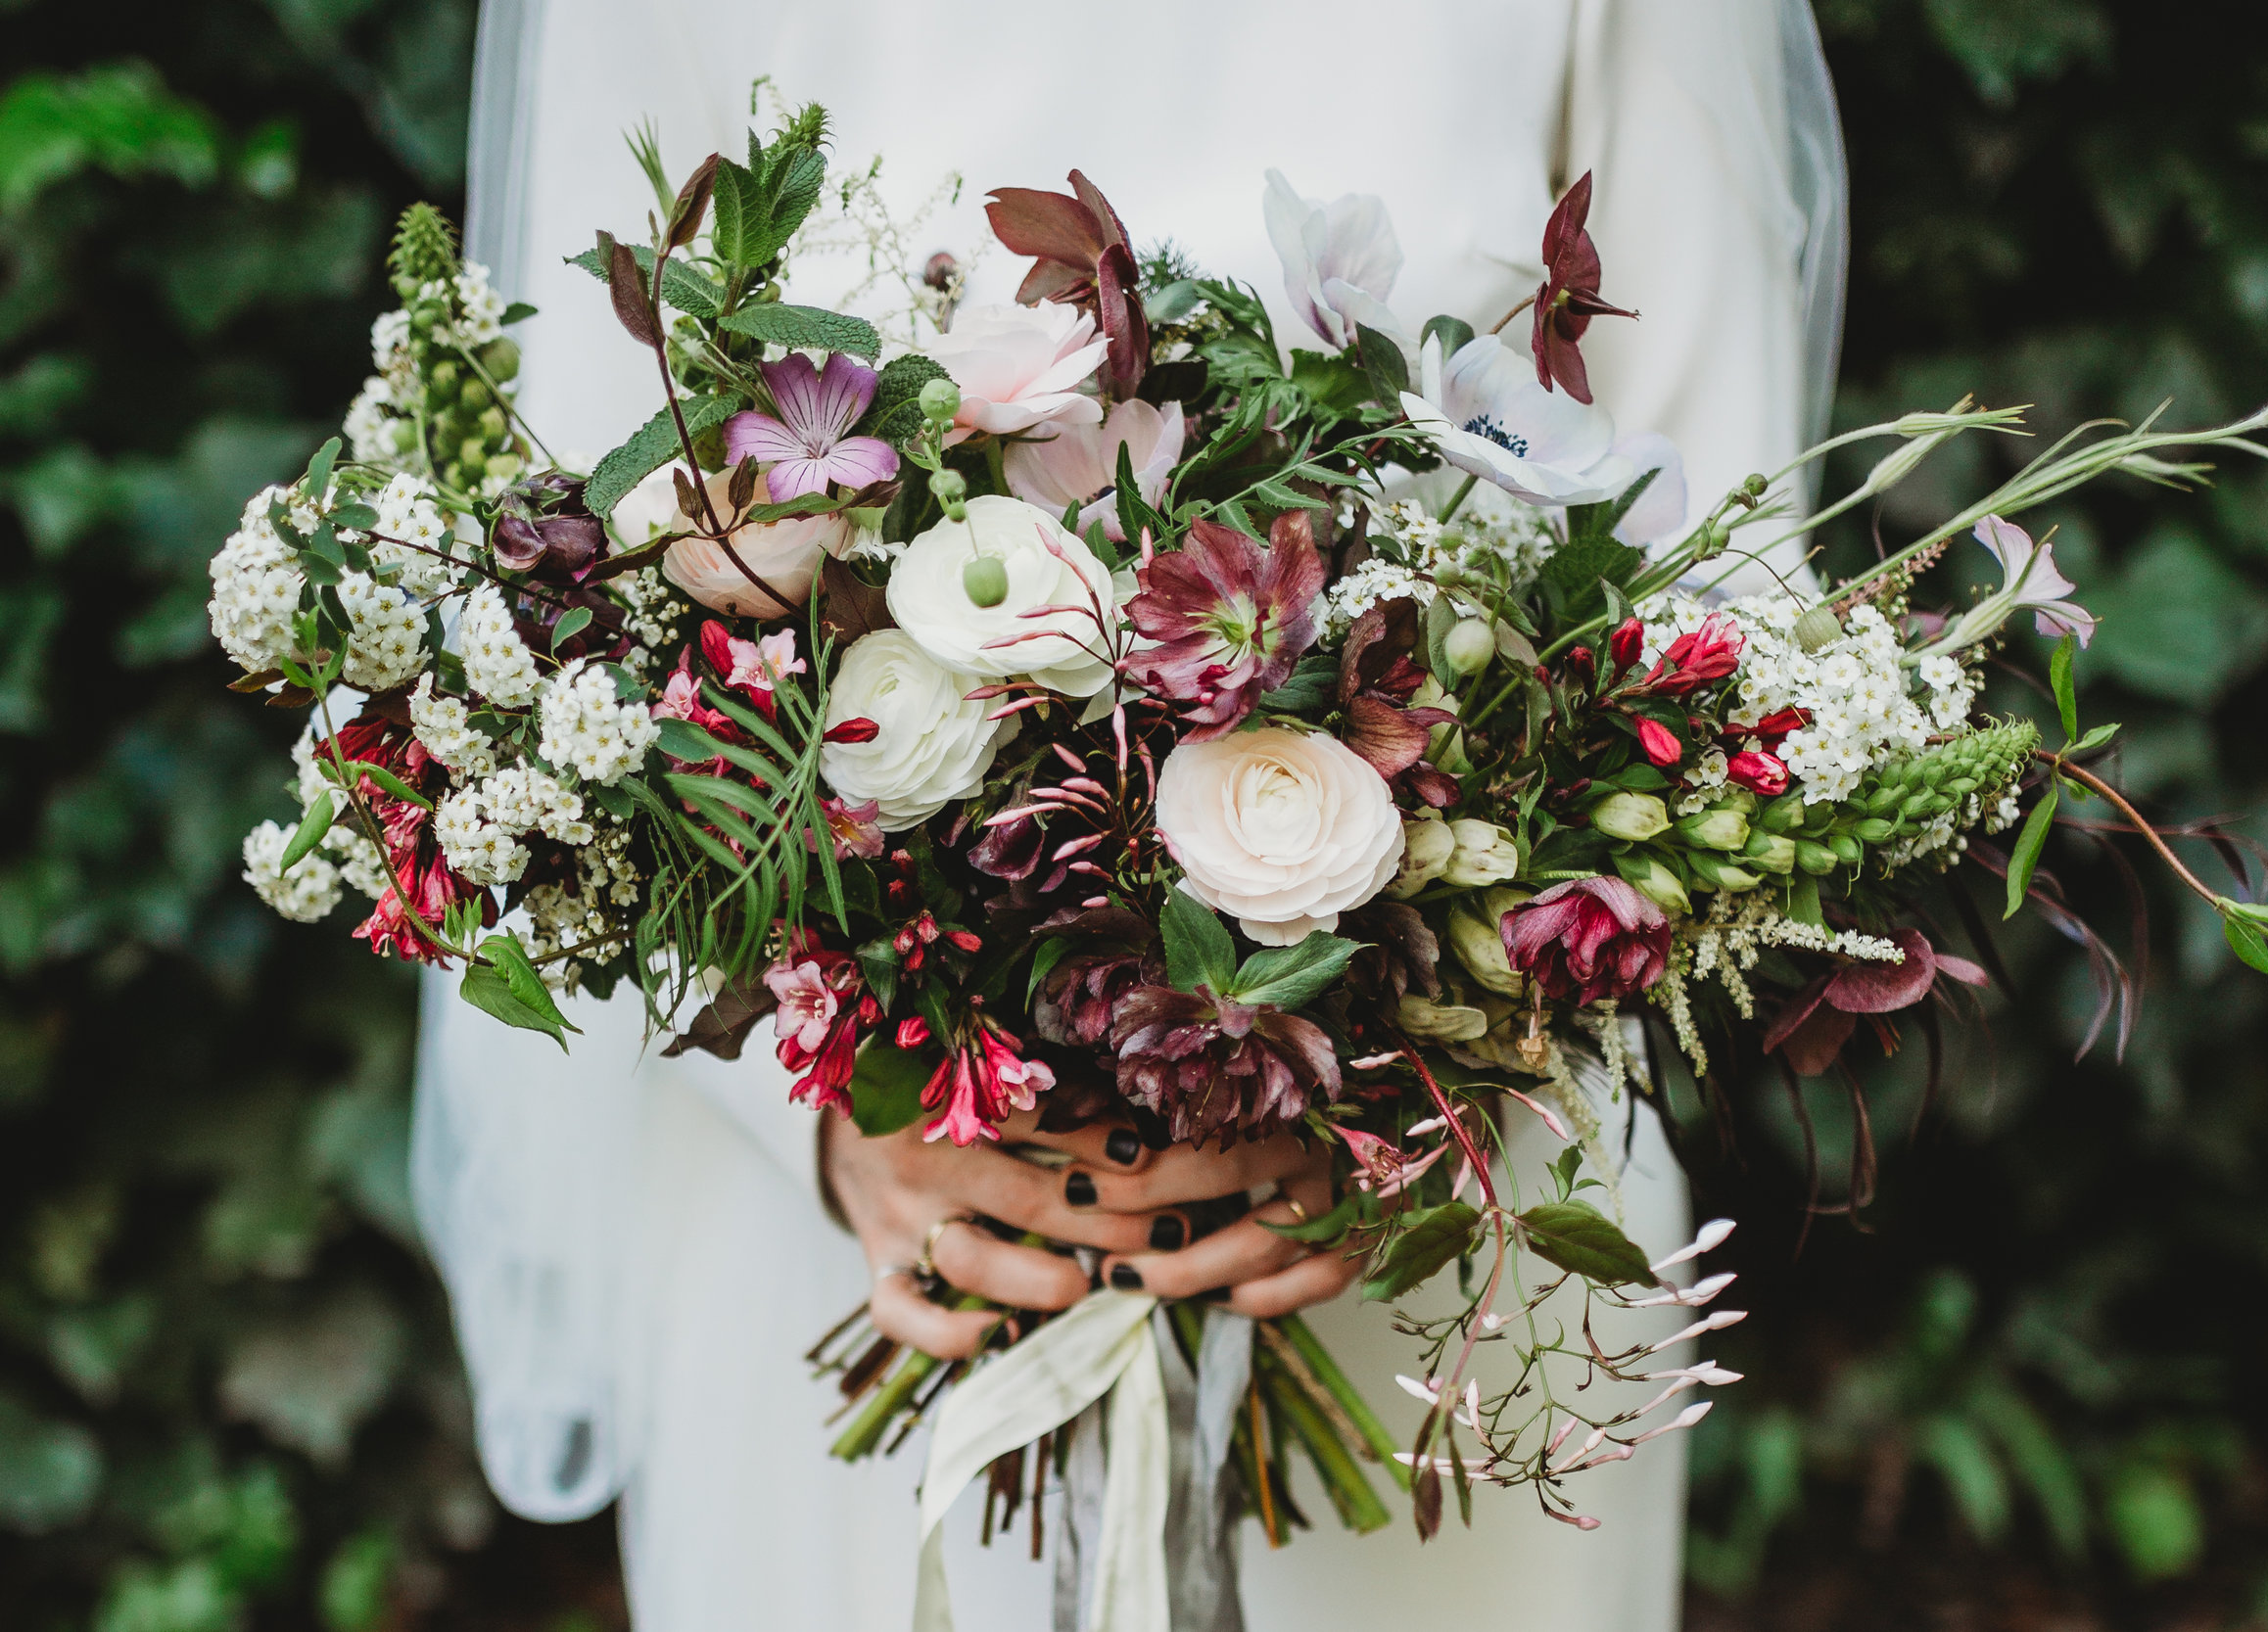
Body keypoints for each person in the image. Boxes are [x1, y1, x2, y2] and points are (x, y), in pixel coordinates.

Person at [414, 3, 1846, 1627]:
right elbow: (567, 601)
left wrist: (1441, 1079)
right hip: (872, 1230)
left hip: (1432, 1240)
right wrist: (837, 1125)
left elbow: (1727, 610)